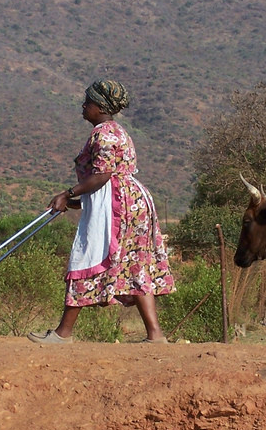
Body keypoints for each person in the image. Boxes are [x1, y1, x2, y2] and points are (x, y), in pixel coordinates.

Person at [28, 79, 176, 344]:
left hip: (118, 204)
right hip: (132, 203)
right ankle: (155, 335)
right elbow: (106, 180)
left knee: (86, 257)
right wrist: (75, 203)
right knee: (135, 263)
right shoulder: (119, 132)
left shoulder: (103, 134)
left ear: (100, 107)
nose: (83, 107)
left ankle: (63, 334)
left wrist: (68, 194)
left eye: (88, 103)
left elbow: (103, 176)